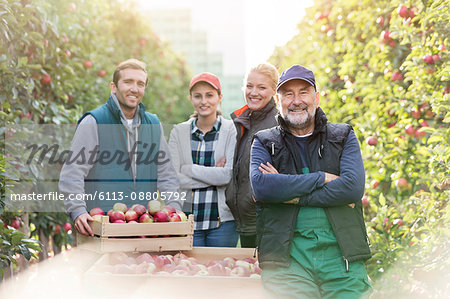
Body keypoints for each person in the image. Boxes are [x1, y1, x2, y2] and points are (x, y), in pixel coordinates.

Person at [250, 65, 372, 298]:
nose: (296, 100)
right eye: (288, 94)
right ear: (278, 100)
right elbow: (262, 187)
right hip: (287, 261)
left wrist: (288, 193)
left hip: (341, 258)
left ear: (316, 97)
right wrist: (321, 178)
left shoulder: (343, 136)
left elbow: (352, 189)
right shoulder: (265, 141)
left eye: (303, 92)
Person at [59, 59, 180, 236]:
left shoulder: (153, 125)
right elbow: (73, 172)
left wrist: (174, 210)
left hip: (143, 227)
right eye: (128, 82)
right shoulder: (94, 122)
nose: (134, 88)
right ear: (114, 87)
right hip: (102, 227)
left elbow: (166, 174)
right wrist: (78, 210)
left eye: (140, 84)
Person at [168, 72, 238, 247]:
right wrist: (214, 176)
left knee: (221, 271)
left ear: (219, 97)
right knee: (188, 271)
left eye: (209, 95)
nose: (203, 101)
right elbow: (172, 178)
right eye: (198, 96)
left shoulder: (231, 130)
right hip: (186, 219)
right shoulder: (179, 131)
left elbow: (227, 176)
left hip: (222, 222)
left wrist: (188, 169)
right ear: (191, 98)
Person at [226, 63, 279, 248]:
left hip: (267, 221)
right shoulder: (244, 120)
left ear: (274, 90)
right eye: (249, 86)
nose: (253, 92)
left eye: (261, 87)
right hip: (246, 219)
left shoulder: (278, 124)